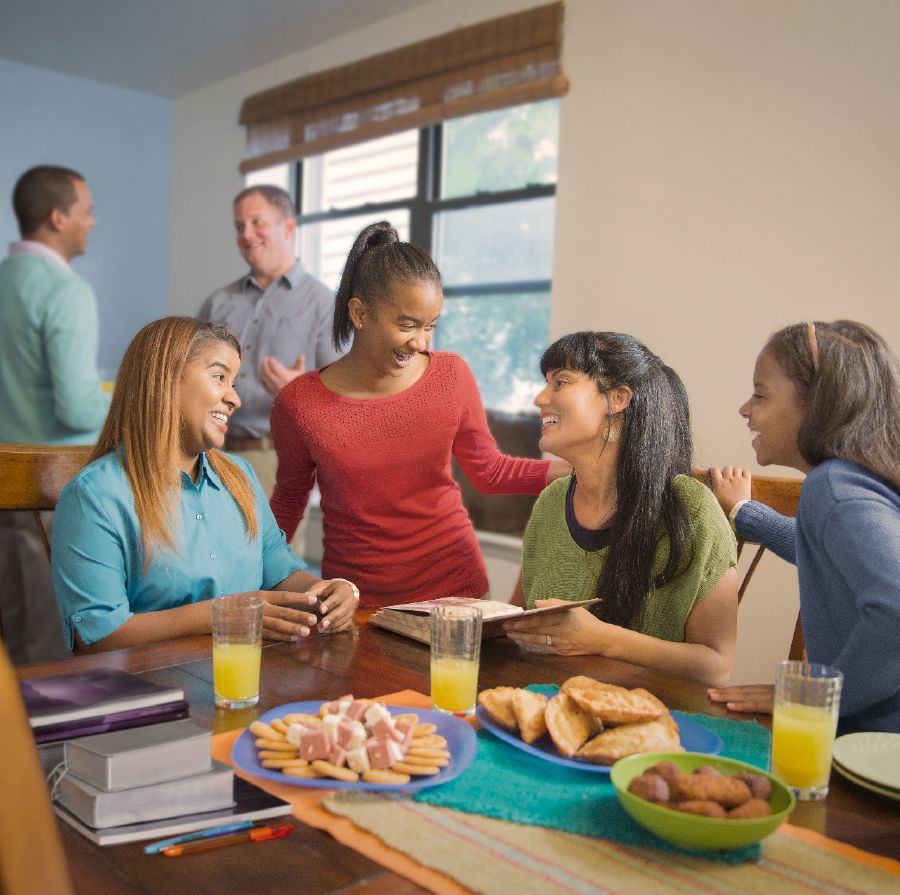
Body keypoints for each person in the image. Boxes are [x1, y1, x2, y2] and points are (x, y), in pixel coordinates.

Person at [270, 221, 569, 608]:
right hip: (358, 603)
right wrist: (255, 574)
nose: (421, 342)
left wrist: (579, 470)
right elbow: (290, 500)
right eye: (407, 325)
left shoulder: (451, 375)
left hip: (457, 589)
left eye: (430, 326)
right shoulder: (299, 403)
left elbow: (489, 471)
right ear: (360, 313)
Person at [52, 318, 358, 653]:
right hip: (151, 689)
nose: (234, 399)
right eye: (219, 377)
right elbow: (98, 637)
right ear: (165, 379)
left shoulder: (240, 476)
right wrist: (221, 615)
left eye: (234, 383)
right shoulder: (94, 496)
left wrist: (327, 591)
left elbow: (277, 569)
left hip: (250, 676)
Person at [502, 331, 739, 688]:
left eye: (560, 382)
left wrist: (603, 639)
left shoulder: (691, 510)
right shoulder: (551, 503)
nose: (539, 398)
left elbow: (717, 667)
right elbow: (518, 622)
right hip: (544, 710)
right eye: (545, 383)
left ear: (617, 398)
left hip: (651, 724)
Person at [707, 320, 900, 733]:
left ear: (816, 406)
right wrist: (744, 512)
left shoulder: (833, 486)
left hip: (874, 752)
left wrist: (814, 695)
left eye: (760, 395)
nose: (745, 409)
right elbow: (819, 550)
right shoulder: (854, 483)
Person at [0, 165, 110, 664]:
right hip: (41, 497)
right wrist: (138, 399)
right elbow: (76, 407)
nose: (92, 221)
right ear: (57, 217)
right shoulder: (66, 291)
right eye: (86, 212)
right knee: (46, 657)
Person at [197, 185, 343, 498]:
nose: (247, 235)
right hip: (207, 453)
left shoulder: (324, 305)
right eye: (240, 227)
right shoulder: (218, 303)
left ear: (288, 227)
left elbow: (342, 404)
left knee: (269, 549)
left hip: (275, 463)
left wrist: (299, 391)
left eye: (257, 222)